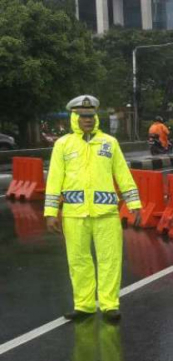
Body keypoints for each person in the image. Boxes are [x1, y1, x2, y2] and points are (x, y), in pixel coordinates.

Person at [45, 95, 142, 323]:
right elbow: (54, 179)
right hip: (74, 213)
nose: (87, 120)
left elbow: (123, 175)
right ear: (73, 117)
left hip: (106, 213)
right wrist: (50, 213)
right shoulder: (63, 145)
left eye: (90, 116)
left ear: (95, 117)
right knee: (78, 261)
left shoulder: (109, 143)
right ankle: (84, 305)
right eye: (81, 116)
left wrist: (134, 204)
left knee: (110, 260)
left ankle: (109, 305)